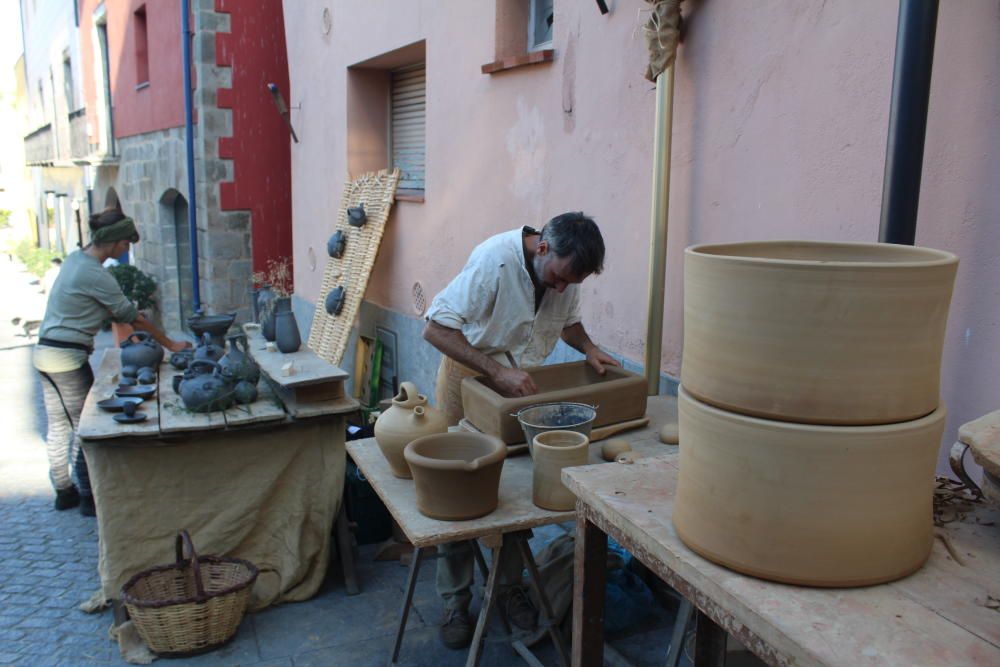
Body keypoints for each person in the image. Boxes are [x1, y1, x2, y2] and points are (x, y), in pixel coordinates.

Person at [422, 211, 619, 648]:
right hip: (467, 374)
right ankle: (456, 599)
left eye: (573, 282)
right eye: (560, 277)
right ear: (542, 247)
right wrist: (494, 371)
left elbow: (566, 320)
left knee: (512, 488)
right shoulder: (494, 262)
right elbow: (435, 328)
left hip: (517, 378)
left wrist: (590, 349)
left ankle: (508, 586)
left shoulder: (562, 275)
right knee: (459, 486)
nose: (563, 288)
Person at [33, 208, 190, 516]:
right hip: (66, 357)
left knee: (59, 426)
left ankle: (64, 491)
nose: (126, 250)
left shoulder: (75, 259)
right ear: (114, 241)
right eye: (126, 244)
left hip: (46, 352)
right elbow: (132, 317)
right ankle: (90, 500)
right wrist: (171, 344)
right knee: (86, 428)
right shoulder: (94, 273)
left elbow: (100, 309)